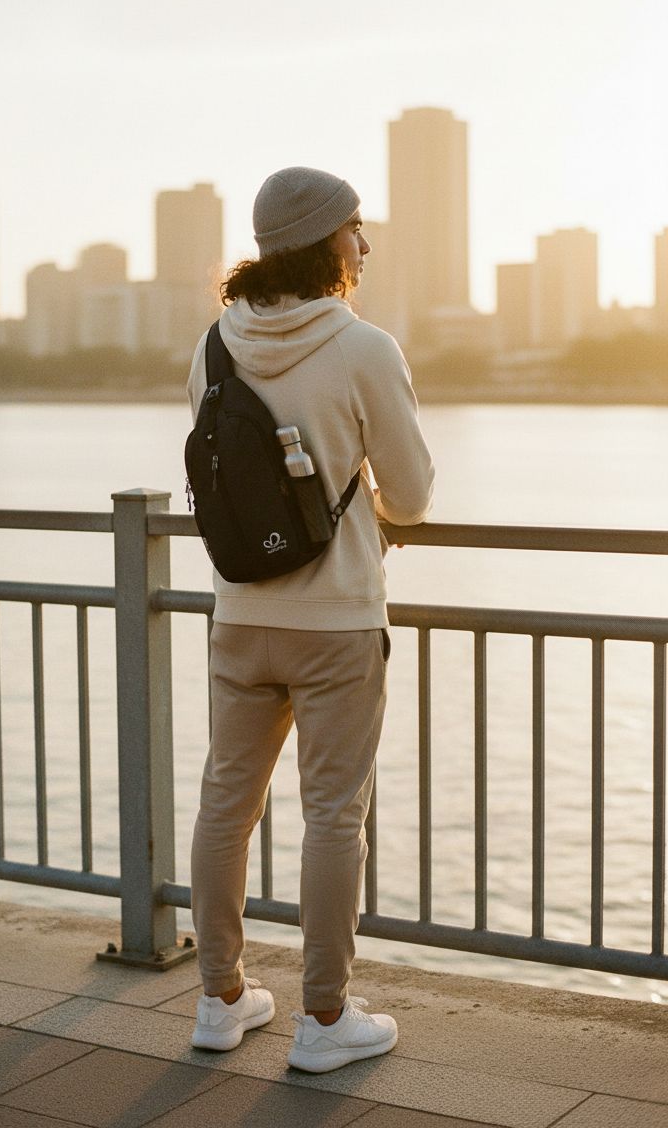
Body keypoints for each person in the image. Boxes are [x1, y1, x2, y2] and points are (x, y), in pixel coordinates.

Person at [186, 166, 434, 1073]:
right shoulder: (364, 348)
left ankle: (219, 1000)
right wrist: (371, 507)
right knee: (333, 815)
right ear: (327, 240)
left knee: (226, 802)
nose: (364, 245)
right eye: (356, 228)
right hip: (335, 624)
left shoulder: (215, 345)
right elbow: (411, 494)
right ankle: (324, 1018)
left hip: (240, 614)